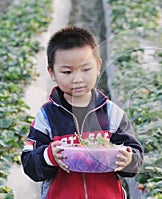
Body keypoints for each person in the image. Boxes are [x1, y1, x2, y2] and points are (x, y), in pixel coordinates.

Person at [21, 26, 144, 199]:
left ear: (98, 66)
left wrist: (127, 161)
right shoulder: (47, 117)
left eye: (86, 69)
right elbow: (29, 163)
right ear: (52, 73)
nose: (78, 79)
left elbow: (135, 155)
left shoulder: (112, 114)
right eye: (67, 72)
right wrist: (49, 156)